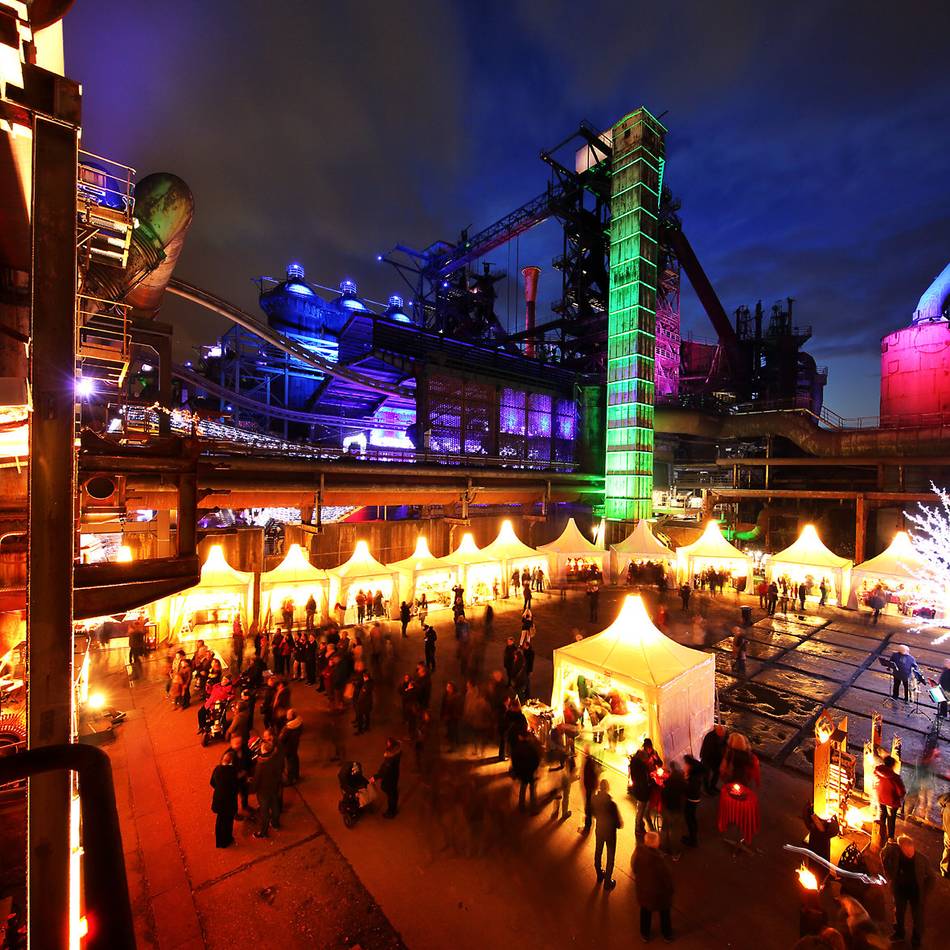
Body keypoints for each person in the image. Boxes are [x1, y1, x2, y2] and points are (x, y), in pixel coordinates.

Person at [882, 835, 934, 948]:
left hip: (916, 892)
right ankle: (899, 933)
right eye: (905, 850)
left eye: (910, 850)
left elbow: (931, 877)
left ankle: (916, 941)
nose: (909, 853)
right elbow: (883, 856)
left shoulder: (922, 859)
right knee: (899, 913)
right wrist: (889, 877)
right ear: (901, 848)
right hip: (900, 889)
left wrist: (924, 892)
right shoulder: (895, 853)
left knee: (918, 918)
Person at [634, 831, 674, 943]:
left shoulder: (639, 853)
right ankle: (667, 934)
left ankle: (644, 934)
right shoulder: (659, 861)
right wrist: (670, 890)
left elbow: (635, 868)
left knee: (645, 913)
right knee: (664, 914)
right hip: (659, 895)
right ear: (656, 844)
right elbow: (667, 880)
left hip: (643, 892)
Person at [591, 778, 622, 890]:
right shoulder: (612, 804)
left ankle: (599, 874)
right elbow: (619, 824)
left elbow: (592, 812)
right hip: (610, 834)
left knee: (598, 851)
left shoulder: (594, 799)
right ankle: (608, 882)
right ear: (608, 788)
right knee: (610, 856)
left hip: (599, 830)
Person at [252, 742, 283, 838]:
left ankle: (263, 832)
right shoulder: (275, 759)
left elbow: (257, 780)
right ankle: (275, 823)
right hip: (274, 788)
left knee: (264, 811)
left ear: (264, 750)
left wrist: (251, 789)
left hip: (263, 791)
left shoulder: (261, 764)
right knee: (275, 806)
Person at [210, 750, 239, 848]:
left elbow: (212, 783)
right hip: (229, 802)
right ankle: (227, 839)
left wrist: (219, 788)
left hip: (219, 801)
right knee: (228, 822)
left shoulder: (217, 769)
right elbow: (236, 788)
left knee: (220, 821)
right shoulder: (232, 772)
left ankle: (219, 841)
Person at [874, 754, 906, 844]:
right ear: (892, 765)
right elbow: (901, 791)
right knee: (891, 820)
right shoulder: (895, 777)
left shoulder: (878, 771)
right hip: (892, 802)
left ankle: (880, 836)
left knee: (882, 817)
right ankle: (890, 839)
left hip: (880, 798)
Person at [660, 760, 686, 860]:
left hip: (666, 809)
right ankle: (675, 854)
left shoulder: (668, 782)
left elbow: (663, 794)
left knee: (664, 830)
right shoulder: (681, 783)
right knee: (675, 832)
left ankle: (663, 850)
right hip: (676, 810)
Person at [511, 731, 541, 813]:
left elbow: (514, 762)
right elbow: (537, 759)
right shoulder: (532, 747)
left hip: (522, 773)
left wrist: (517, 772)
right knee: (532, 790)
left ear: (520, 737)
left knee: (523, 789)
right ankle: (533, 808)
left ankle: (521, 806)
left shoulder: (517, 747)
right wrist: (535, 769)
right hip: (531, 772)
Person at [374, 737, 402, 818]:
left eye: (388, 743)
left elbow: (384, 772)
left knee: (391, 796)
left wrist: (375, 777)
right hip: (394, 776)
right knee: (394, 793)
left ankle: (391, 812)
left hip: (389, 780)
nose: (387, 744)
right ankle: (394, 809)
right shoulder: (397, 753)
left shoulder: (389, 760)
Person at [682, 755, 703, 847]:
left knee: (689, 818)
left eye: (685, 764)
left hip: (692, 800)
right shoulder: (694, 774)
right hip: (694, 799)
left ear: (690, 766)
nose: (684, 766)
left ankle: (693, 840)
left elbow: (689, 790)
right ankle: (692, 836)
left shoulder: (693, 778)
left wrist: (685, 780)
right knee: (691, 818)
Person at [278, 708, 303, 785]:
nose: (286, 716)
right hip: (295, 744)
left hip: (288, 747)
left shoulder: (288, 728)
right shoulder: (299, 723)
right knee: (295, 759)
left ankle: (290, 779)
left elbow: (281, 738)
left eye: (288, 715)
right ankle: (296, 775)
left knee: (290, 763)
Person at [700, 724, 726, 795]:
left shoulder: (724, 735)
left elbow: (725, 744)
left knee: (717, 772)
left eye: (723, 734)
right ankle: (706, 788)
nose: (722, 736)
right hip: (708, 758)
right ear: (716, 731)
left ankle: (713, 786)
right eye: (721, 734)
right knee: (706, 774)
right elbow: (707, 750)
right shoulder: (710, 737)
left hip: (717, 758)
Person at [580, 746, 600, 834]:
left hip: (590, 787)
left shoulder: (589, 762)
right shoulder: (591, 761)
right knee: (589, 805)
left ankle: (587, 827)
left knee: (588, 806)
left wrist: (585, 786)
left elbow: (589, 776)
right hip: (591, 787)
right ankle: (589, 822)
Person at [554, 754, 576, 822]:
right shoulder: (571, 766)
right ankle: (564, 813)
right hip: (566, 779)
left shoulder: (562, 767)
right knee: (566, 797)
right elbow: (571, 775)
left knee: (558, 795)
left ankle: (555, 811)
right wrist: (575, 778)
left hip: (561, 778)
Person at [354, 670, 373, 734]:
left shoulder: (367, 685)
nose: (363, 678)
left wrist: (358, 701)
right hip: (367, 703)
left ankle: (360, 730)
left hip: (364, 703)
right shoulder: (369, 683)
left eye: (364, 677)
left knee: (360, 716)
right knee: (367, 715)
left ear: (367, 677)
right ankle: (366, 727)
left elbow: (363, 695)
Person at [938, 791, 950, 878]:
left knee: (947, 850)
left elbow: (941, 816)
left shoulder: (945, 808)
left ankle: (944, 869)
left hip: (947, 832)